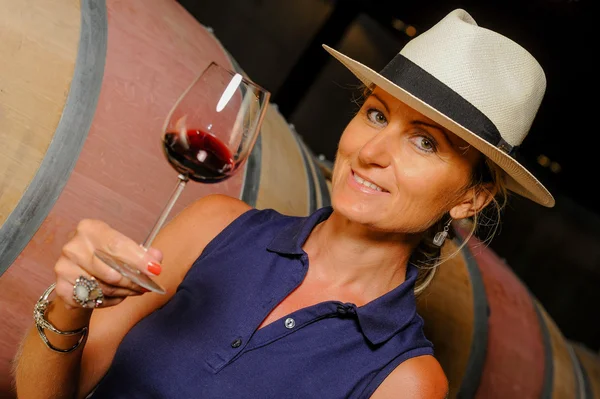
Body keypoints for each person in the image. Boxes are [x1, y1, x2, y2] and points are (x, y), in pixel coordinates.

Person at [13, 8, 554, 399]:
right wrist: (72, 301)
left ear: (470, 197)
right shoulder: (216, 226)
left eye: (425, 142)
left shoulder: (404, 381)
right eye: (376, 113)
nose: (370, 152)